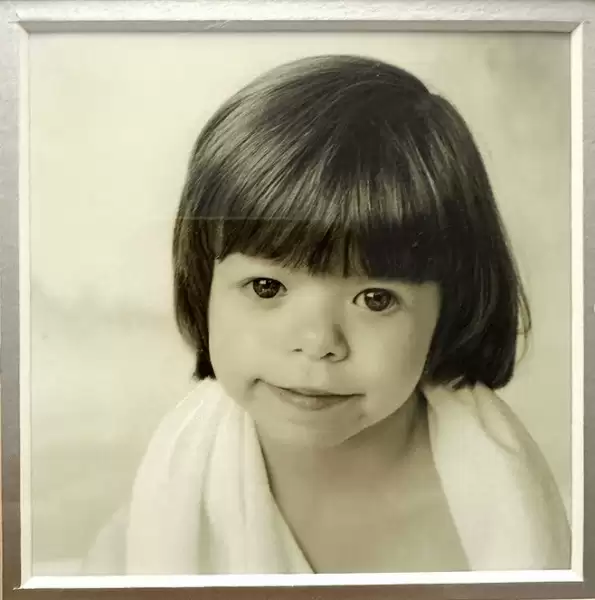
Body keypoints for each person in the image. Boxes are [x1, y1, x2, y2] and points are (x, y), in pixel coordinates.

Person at [83, 54, 570, 575]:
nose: (318, 343)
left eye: (376, 299)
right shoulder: (156, 522)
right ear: (204, 284)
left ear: (451, 306)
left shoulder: (494, 520)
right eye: (267, 287)